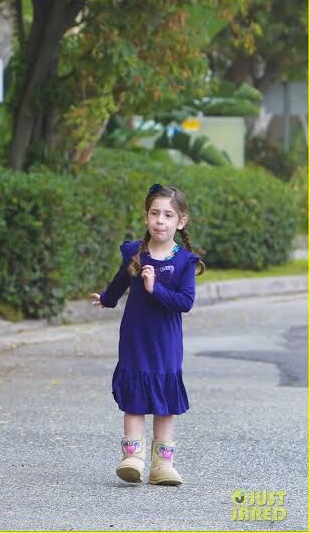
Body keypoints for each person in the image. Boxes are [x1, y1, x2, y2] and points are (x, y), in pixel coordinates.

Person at [90, 183, 205, 486]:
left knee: (165, 401)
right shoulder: (135, 253)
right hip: (135, 338)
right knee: (135, 397)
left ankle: (163, 465)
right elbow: (120, 282)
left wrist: (155, 289)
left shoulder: (184, 262)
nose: (160, 220)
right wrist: (106, 299)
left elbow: (185, 302)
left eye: (168, 215)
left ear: (181, 222)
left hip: (165, 343)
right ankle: (132, 457)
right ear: (146, 217)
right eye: (155, 213)